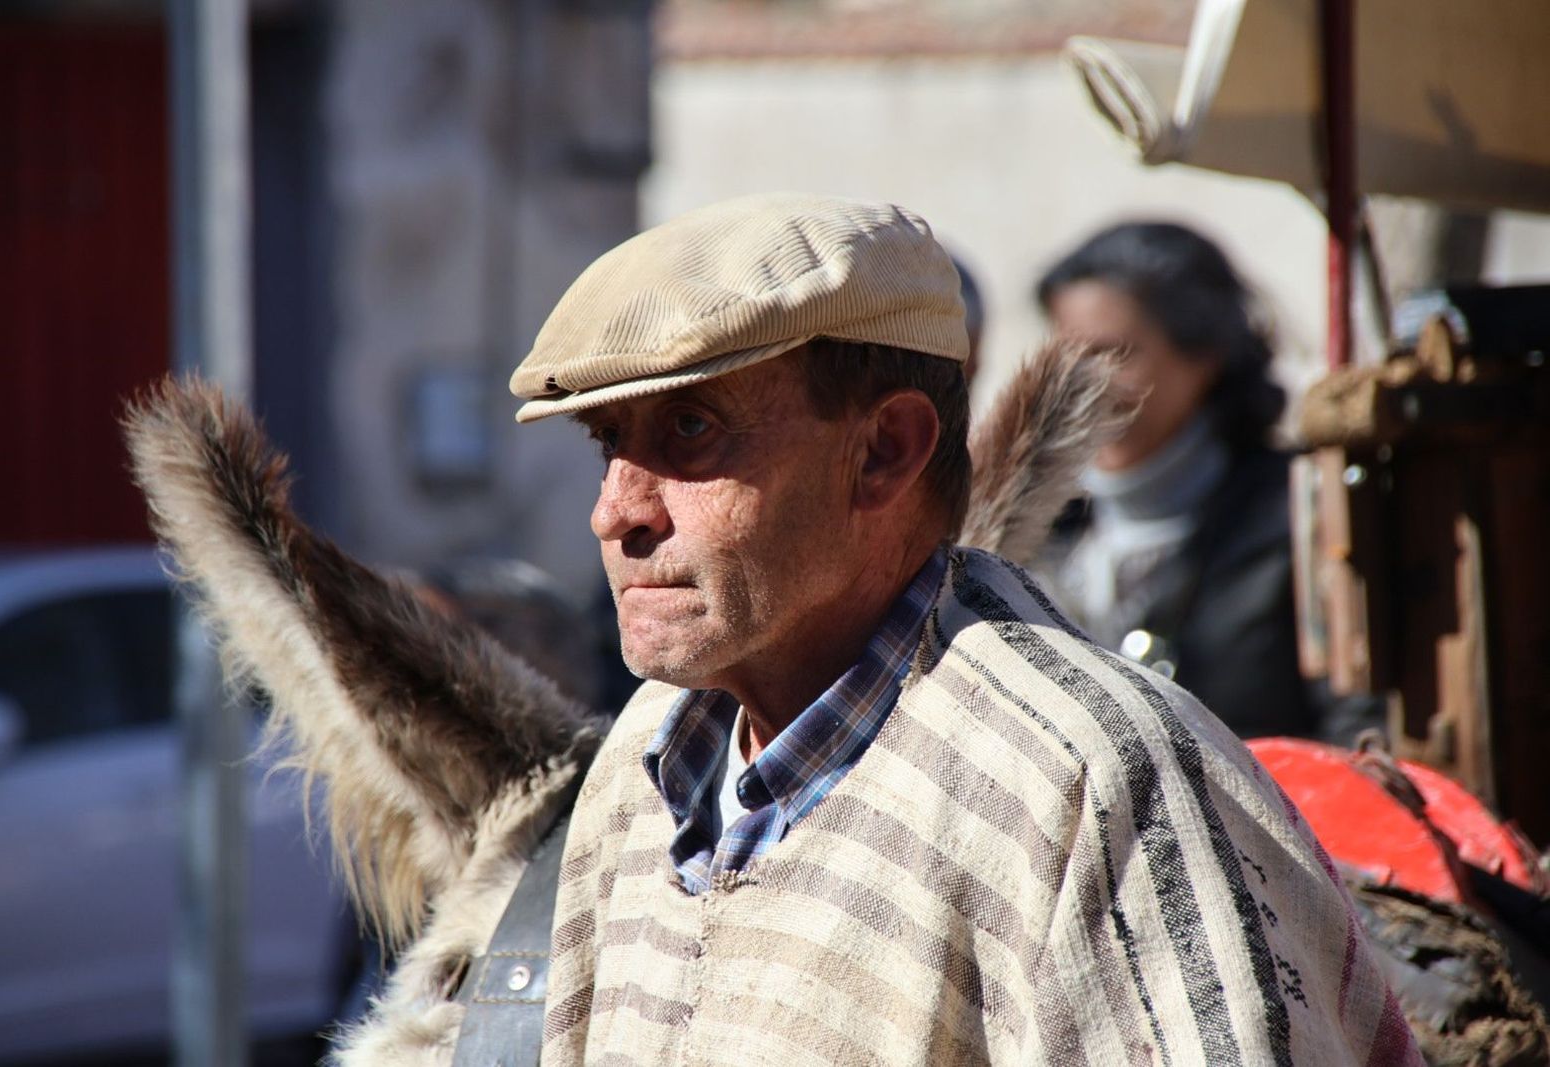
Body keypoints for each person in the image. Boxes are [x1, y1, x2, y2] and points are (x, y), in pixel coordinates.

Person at [507, 193, 1417, 1064]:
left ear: (884, 451)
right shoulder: (643, 765)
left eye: (691, 429)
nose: (615, 512)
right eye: (607, 444)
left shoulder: (1087, 784)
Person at [1032, 221, 1380, 745]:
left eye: (1114, 354)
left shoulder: (1302, 515)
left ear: (1202, 354)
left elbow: (1356, 734)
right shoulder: (1039, 532)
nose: (1083, 386)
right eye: (1067, 355)